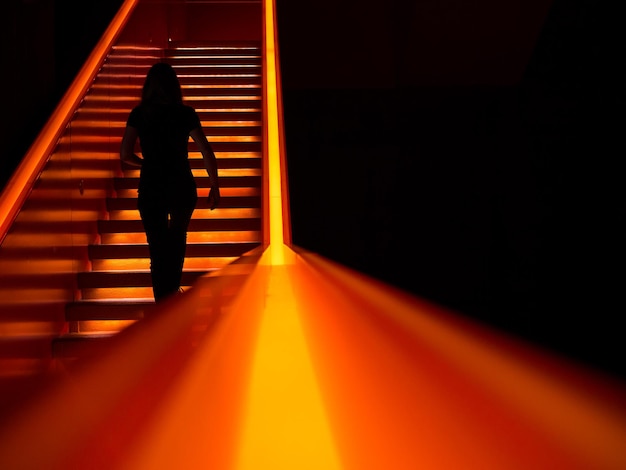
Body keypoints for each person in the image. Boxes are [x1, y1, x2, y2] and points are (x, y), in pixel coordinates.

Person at [120, 62, 220, 302]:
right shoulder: (185, 114)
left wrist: (146, 164)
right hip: (181, 183)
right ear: (174, 86)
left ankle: (162, 305)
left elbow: (125, 154)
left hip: (152, 185)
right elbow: (206, 150)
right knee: (177, 242)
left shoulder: (140, 114)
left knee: (157, 247)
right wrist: (214, 185)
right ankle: (173, 297)